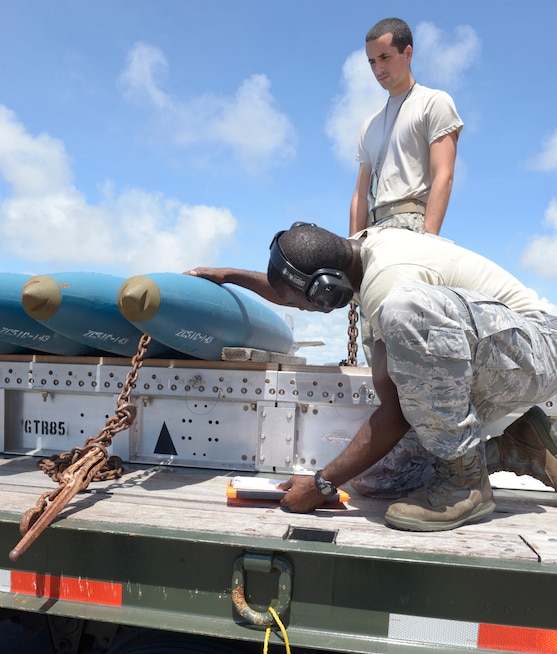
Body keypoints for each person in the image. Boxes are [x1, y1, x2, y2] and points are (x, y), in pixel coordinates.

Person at [190, 222, 557, 532]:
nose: (303, 309)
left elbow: (395, 413)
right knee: (375, 480)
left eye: (306, 304)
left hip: (538, 350)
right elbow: (291, 288)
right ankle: (516, 448)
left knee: (405, 311)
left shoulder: (391, 285)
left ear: (326, 288)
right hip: (495, 357)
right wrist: (228, 276)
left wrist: (321, 484)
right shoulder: (353, 251)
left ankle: (466, 485)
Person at [350, 17, 463, 236]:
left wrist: (428, 239)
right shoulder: (369, 125)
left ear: (408, 54)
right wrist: (352, 247)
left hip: (411, 226)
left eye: (385, 57)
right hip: (371, 232)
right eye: (372, 61)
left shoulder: (433, 102)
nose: (378, 68)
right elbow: (360, 195)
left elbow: (444, 174)